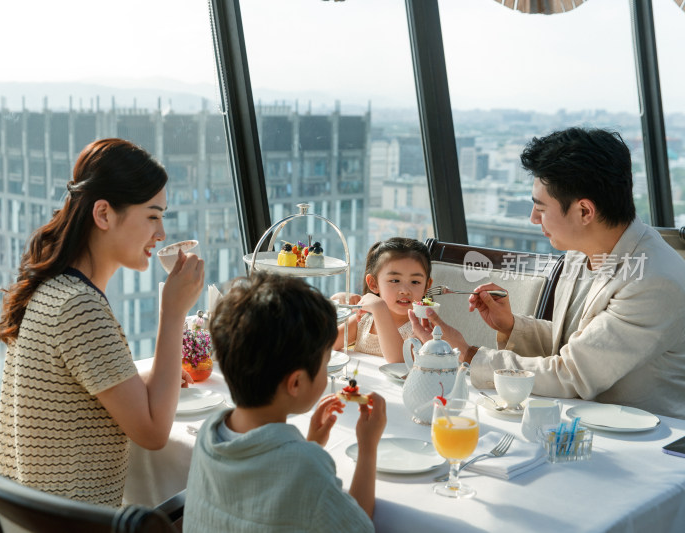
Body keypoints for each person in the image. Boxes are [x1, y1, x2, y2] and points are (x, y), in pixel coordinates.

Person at [410, 127, 685, 420]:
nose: (533, 218)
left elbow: (572, 374)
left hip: (646, 442)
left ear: (584, 212)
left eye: (540, 208)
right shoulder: (582, 250)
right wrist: (512, 326)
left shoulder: (653, 280)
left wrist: (466, 354)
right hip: (582, 420)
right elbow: (575, 342)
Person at [0, 138, 205, 507]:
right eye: (152, 215)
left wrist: (137, 381)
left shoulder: (55, 289)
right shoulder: (80, 307)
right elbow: (154, 434)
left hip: (36, 518)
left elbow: (73, 386)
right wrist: (172, 313)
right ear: (104, 214)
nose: (161, 234)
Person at [184, 272, 386, 532]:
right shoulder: (306, 465)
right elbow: (358, 526)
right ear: (296, 383)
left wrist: (310, 443)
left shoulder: (209, 433)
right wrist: (368, 448)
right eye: (327, 364)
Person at [333, 237, 433, 363]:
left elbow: (399, 363)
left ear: (426, 286)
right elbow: (324, 345)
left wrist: (380, 308)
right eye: (395, 280)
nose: (405, 290)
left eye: (415, 282)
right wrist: (335, 304)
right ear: (373, 284)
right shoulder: (364, 321)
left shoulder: (422, 328)